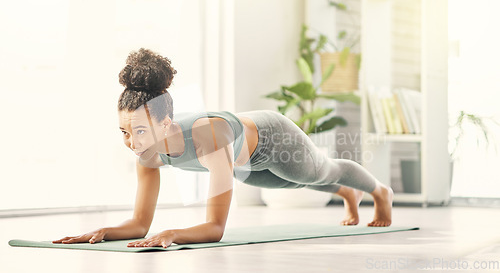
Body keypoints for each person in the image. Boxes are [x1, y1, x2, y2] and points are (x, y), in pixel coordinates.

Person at [53, 48, 393, 249]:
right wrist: (104, 232)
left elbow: (215, 230)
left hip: (273, 138)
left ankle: (380, 193)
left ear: (166, 124)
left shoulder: (207, 136)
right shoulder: (148, 154)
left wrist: (173, 234)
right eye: (125, 132)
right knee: (296, 182)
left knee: (320, 171)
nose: (132, 143)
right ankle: (348, 194)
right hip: (245, 161)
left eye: (140, 131)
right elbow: (141, 224)